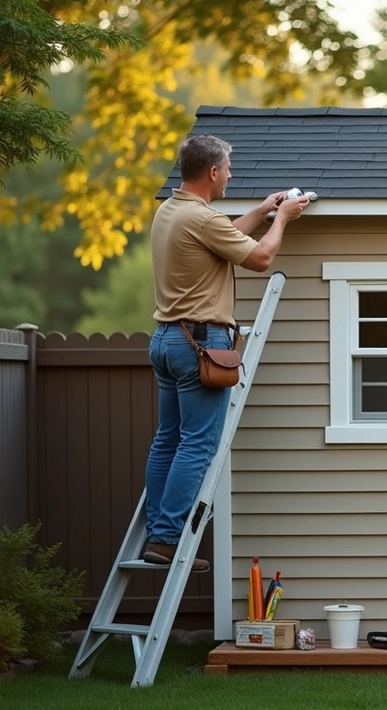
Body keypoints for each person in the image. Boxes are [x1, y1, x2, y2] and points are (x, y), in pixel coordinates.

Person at [141, 133, 309, 571]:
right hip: (201, 345)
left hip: (166, 338)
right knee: (197, 444)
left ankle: (157, 530)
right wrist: (283, 219)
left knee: (168, 440)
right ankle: (167, 538)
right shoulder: (203, 218)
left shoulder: (171, 211)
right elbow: (260, 259)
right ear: (213, 172)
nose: (232, 176)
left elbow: (222, 237)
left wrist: (259, 210)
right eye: (229, 170)